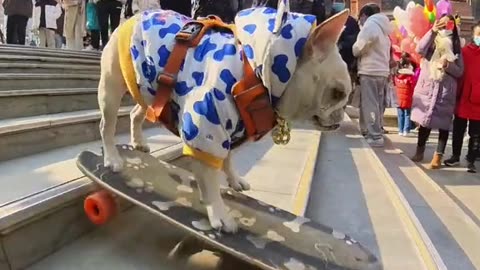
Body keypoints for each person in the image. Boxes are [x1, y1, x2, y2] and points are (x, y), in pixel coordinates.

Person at [410, 15, 464, 169]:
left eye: (449, 24)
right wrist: (432, 31)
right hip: (428, 87)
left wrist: (448, 65)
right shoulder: (431, 41)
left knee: (443, 125)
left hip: (445, 91)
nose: (446, 26)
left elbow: (460, 71)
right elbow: (419, 49)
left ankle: (438, 156)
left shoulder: (456, 45)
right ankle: (419, 151)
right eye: (443, 23)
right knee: (424, 122)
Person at [352, 3, 392, 147]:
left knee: (370, 104)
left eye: (359, 18)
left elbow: (360, 47)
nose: (359, 21)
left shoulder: (370, 25)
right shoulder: (384, 28)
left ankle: (375, 136)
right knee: (376, 104)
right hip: (381, 70)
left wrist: (354, 49)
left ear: (364, 15)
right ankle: (368, 131)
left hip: (370, 70)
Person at [444, 21, 480, 173]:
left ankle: (471, 159)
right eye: (479, 34)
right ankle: (455, 156)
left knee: (476, 133)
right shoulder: (463, 52)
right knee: (458, 129)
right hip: (462, 97)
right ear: (473, 34)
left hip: (478, 100)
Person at [393, 52, 417, 136]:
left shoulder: (396, 76)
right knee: (407, 114)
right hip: (408, 99)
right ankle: (406, 130)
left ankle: (400, 130)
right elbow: (413, 85)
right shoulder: (410, 77)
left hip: (398, 99)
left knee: (400, 115)